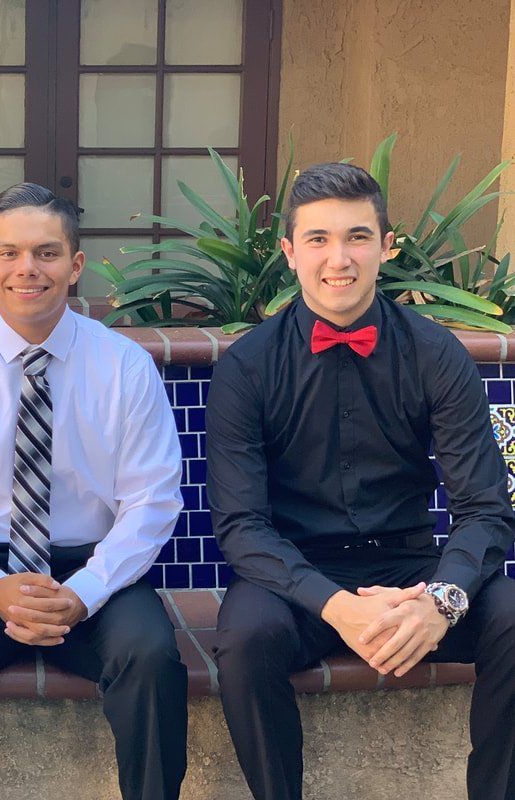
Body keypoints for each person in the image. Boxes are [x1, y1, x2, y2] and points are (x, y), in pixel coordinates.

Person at [206, 161, 515, 800]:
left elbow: (485, 507)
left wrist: (440, 601)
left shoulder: (437, 354)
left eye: (357, 237)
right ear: (289, 252)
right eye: (318, 239)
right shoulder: (247, 368)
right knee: (245, 637)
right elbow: (241, 528)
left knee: (514, 616)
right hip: (298, 577)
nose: (338, 258)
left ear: (386, 247)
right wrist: (339, 607)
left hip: (411, 566)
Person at [0, 182, 188, 800]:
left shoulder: (126, 368)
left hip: (92, 568)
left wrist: (82, 594)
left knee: (152, 659)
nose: (29, 269)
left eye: (47, 253)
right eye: (12, 253)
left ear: (75, 267)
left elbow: (151, 503)